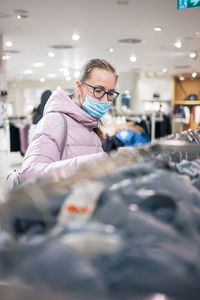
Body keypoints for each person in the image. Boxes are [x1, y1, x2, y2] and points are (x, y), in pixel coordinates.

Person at [19, 59, 120, 183]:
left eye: (110, 94)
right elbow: (29, 174)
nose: (105, 100)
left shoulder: (90, 126)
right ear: (79, 87)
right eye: (98, 90)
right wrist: (97, 161)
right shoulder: (55, 121)